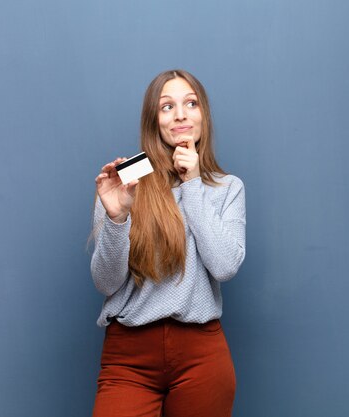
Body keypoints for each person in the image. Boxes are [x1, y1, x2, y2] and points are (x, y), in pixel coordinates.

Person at [89, 69, 246, 417]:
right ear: (153, 120)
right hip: (129, 356)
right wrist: (117, 218)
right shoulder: (126, 179)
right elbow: (105, 283)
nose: (180, 114)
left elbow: (224, 266)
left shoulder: (227, 188)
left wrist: (192, 183)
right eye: (166, 106)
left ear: (203, 114)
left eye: (190, 103)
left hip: (201, 354)